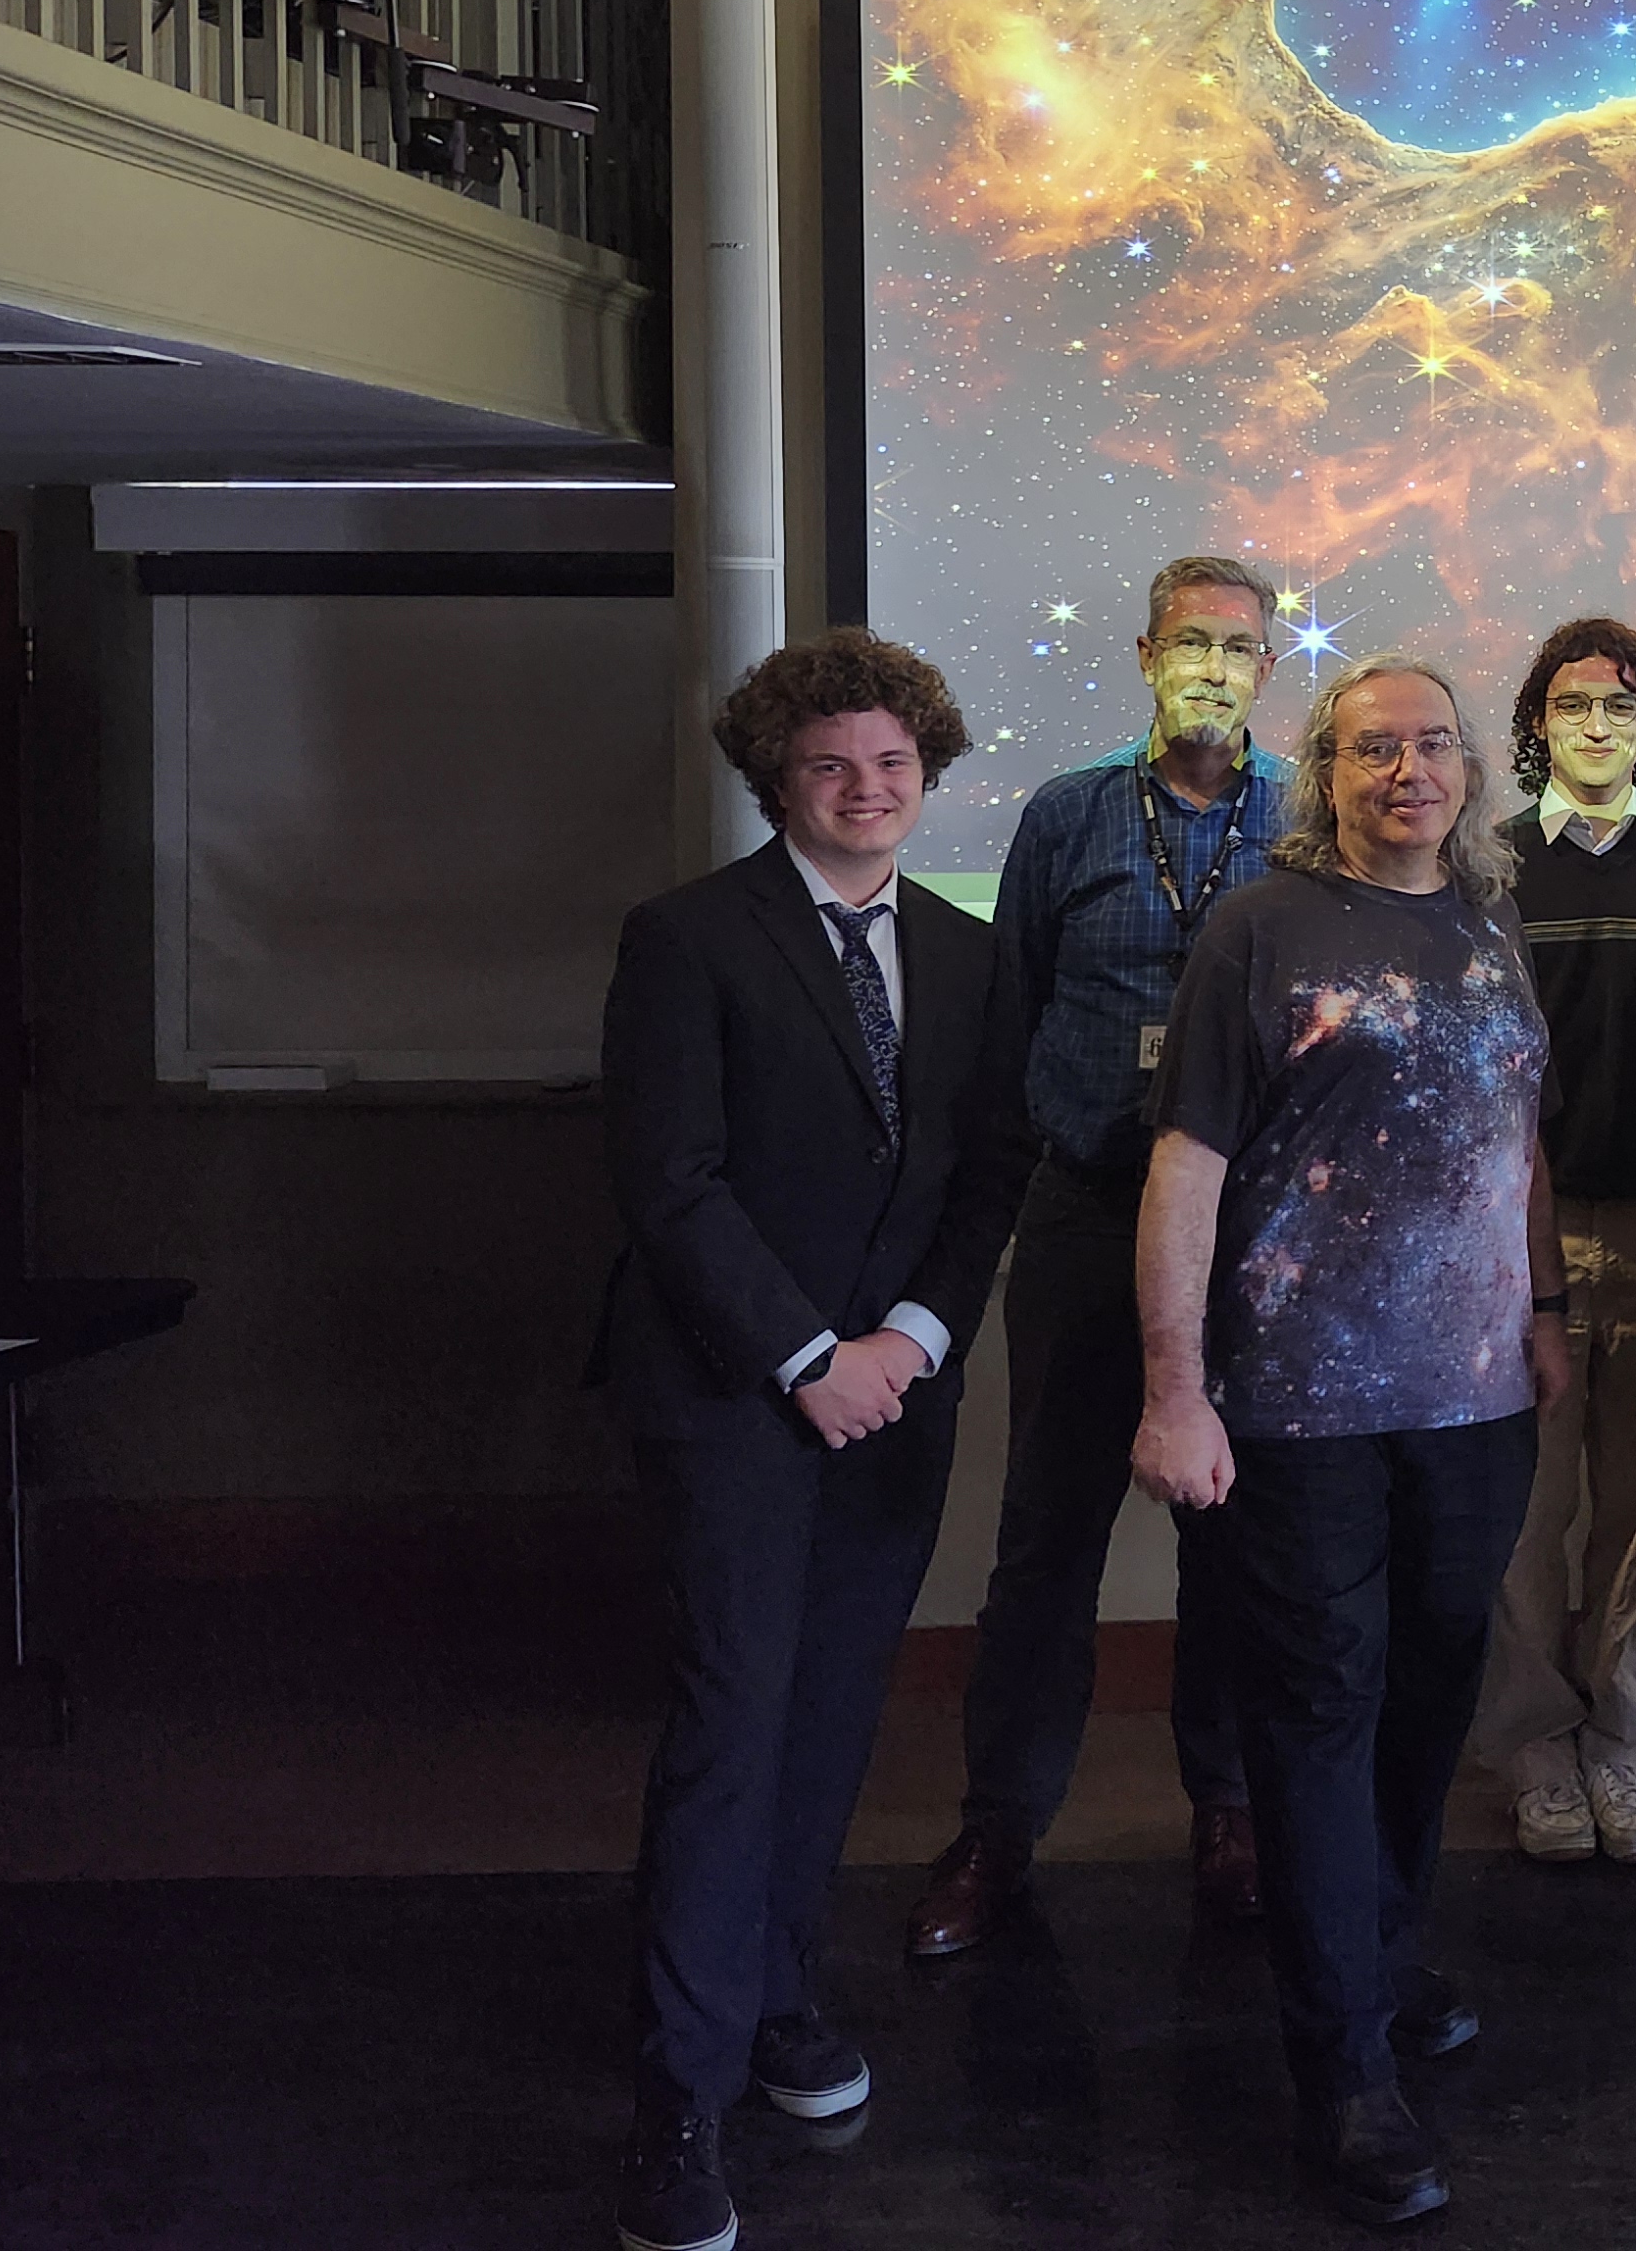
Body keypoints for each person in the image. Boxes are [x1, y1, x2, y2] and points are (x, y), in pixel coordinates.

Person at [598, 631, 1036, 2251]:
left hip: (895, 1400)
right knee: (735, 1724)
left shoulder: (971, 954)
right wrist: (806, 1360)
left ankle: (779, 1999)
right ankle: (681, 2096)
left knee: (835, 1719)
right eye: (831, 765)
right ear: (777, 779)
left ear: (928, 775)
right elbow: (672, 1186)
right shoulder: (687, 939)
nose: (866, 789)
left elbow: (990, 1170)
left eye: (893, 764)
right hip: (735, 1397)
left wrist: (905, 1345)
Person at [1130, 655, 1574, 2229]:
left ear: (1469, 769)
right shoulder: (1259, 929)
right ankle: (1345, 2073)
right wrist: (1174, 1388)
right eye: (1375, 748)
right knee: (1321, 1710)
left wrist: (1548, 1306)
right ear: (1326, 772)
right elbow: (1185, 1168)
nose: (1410, 771)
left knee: (1429, 1696)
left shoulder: (1488, 920)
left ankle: (1377, 1953)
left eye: (1434, 745)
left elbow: (1518, 1138)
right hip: (1299, 1408)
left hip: (1475, 1404)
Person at [909, 555, 1286, 1963]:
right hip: (1083, 1212)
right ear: (1143, 656)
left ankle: (1230, 1812)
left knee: (1235, 1542)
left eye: (1237, 648)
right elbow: (1008, 1020)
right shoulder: (1067, 814)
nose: (1211, 667)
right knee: (1044, 1544)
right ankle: (999, 1827)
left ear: (1267, 671)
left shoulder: (1307, 819)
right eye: (1189, 642)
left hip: (1248, 1232)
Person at [1473, 619, 1636, 1866]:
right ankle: (1536, 1748)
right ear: (1538, 725)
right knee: (1527, 1512)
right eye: (1571, 706)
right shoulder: (1486, 872)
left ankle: (1623, 1748)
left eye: (1620, 708)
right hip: (1519, 1246)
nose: (1594, 726)